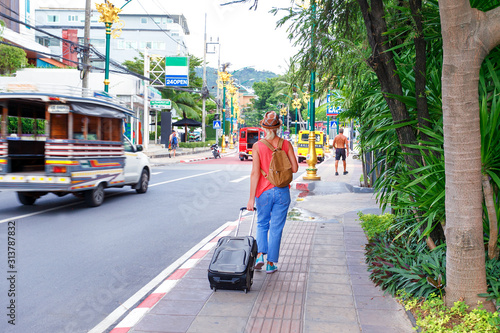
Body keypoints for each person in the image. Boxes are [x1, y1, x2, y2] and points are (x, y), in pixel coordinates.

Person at [247, 111, 299, 274]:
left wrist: (250, 199)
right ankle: (271, 264)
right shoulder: (286, 144)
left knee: (262, 223)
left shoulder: (257, 146)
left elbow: (255, 173)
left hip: (263, 192)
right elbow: (295, 168)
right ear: (278, 128)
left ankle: (261, 255)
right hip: (282, 191)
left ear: (263, 127)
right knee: (276, 227)